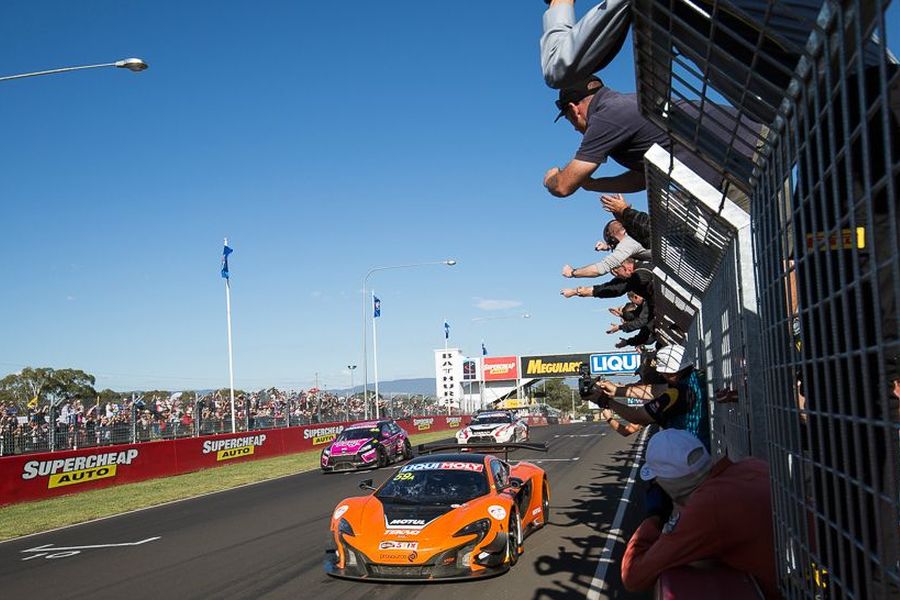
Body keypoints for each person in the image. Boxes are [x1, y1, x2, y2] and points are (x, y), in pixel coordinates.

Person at [620, 428, 778, 599]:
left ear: (668, 483)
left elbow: (633, 575)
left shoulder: (707, 508)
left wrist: (654, 515)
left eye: (656, 480)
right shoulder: (752, 465)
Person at [543, 76, 725, 197]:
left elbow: (562, 186)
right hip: (734, 156)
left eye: (570, 121)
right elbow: (642, 178)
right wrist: (593, 185)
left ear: (574, 110)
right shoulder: (624, 103)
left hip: (734, 166)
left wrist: (551, 179)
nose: (575, 129)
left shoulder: (606, 116)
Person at [591, 344, 710, 450]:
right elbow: (658, 389)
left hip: (686, 455)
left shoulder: (677, 392)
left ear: (667, 372)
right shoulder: (697, 377)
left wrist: (605, 401)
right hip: (700, 449)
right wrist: (617, 391)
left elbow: (640, 416)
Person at [562, 218, 651, 279]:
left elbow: (601, 269)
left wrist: (573, 272)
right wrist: (607, 246)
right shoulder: (635, 232)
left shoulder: (627, 243)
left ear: (612, 235)